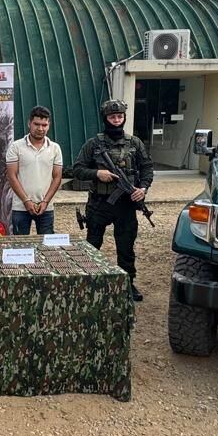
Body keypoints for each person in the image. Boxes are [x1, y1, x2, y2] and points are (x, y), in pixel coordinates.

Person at [73, 99, 153, 302]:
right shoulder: (93, 144)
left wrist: (142, 189)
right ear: (105, 118)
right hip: (100, 203)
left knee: (125, 246)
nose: (116, 120)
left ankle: (128, 283)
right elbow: (77, 170)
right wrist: (97, 173)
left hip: (126, 204)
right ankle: (88, 281)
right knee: (93, 244)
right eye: (112, 116)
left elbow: (147, 168)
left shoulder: (135, 143)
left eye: (119, 116)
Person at [5, 105, 63, 235]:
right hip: (20, 206)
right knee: (20, 247)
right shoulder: (16, 147)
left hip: (46, 207)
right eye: (37, 124)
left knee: (46, 246)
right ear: (29, 123)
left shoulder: (55, 148)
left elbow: (57, 177)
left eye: (44, 125)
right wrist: (26, 201)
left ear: (49, 125)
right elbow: (12, 176)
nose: (40, 128)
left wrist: (45, 201)